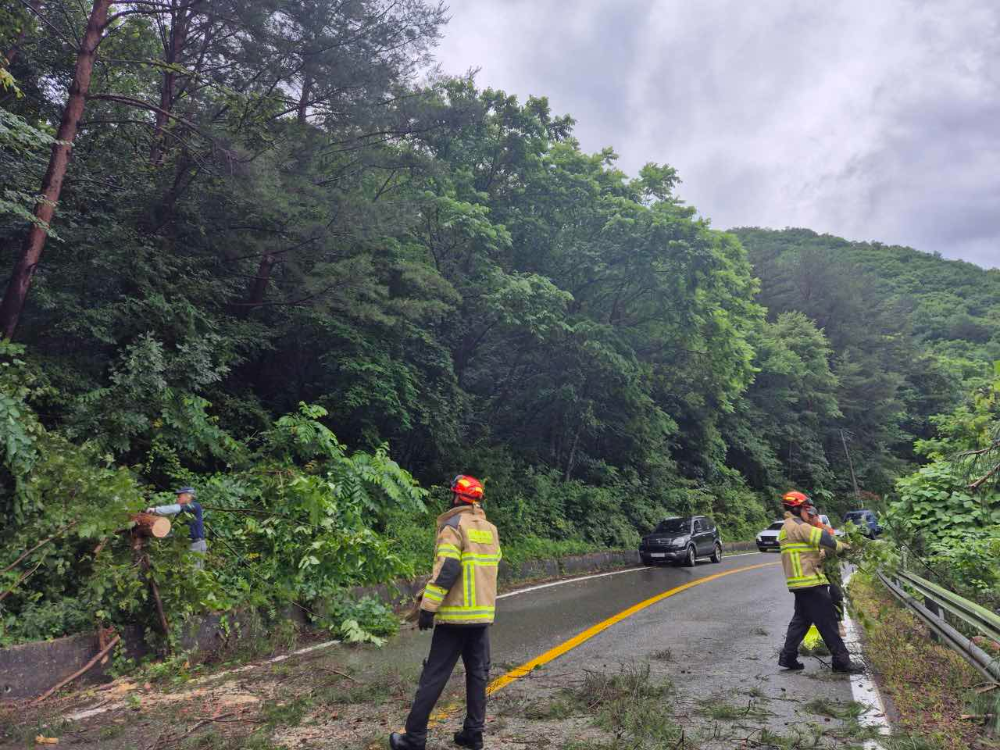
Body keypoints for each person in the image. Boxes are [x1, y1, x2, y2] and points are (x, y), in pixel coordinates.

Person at [390, 475, 502, 750]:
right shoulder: (490, 529)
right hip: (481, 617)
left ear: (456, 497)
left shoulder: (453, 526)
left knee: (435, 675)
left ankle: (413, 738)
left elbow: (448, 569)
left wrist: (428, 607)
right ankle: (473, 734)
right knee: (478, 674)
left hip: (454, 617)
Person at [777, 491, 862, 673]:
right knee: (828, 622)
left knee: (801, 621)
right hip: (811, 582)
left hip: (799, 583)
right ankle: (841, 661)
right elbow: (825, 539)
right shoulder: (800, 526)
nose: (809, 512)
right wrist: (844, 547)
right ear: (797, 508)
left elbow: (803, 552)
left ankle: (787, 657)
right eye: (806, 508)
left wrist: (820, 554)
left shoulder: (787, 527)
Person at [807, 506, 847, 637]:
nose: (809, 519)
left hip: (830, 565)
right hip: (814, 567)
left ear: (817, 517)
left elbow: (835, 545)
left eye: (812, 516)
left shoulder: (826, 530)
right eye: (807, 516)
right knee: (815, 595)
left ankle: (839, 621)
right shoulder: (804, 531)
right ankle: (818, 623)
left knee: (836, 592)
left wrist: (826, 551)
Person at [146, 487, 207, 567]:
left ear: (188, 496)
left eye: (179, 496)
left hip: (196, 545)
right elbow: (174, 531)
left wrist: (156, 510)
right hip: (185, 546)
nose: (177, 498)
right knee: (183, 573)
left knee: (194, 573)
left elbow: (175, 508)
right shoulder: (181, 514)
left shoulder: (194, 506)